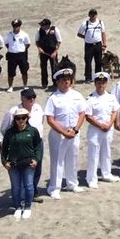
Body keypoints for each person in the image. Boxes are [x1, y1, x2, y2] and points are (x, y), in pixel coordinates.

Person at [44, 65, 86, 199]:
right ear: (57, 81)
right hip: (58, 134)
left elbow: (82, 113)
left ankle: (72, 183)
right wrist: (63, 132)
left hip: (73, 132)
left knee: (72, 158)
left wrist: (75, 129)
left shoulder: (77, 95)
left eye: (68, 79)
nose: (67, 82)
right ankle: (54, 187)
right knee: (57, 161)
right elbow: (50, 119)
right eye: (63, 80)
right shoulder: (53, 98)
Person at [1, 107, 41, 219]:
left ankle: (27, 207)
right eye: (18, 118)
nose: (21, 120)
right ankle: (18, 207)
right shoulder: (10, 132)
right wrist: (4, 162)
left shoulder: (33, 131)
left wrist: (36, 159)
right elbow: (4, 149)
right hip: (13, 163)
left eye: (23, 118)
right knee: (16, 187)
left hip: (28, 162)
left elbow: (38, 146)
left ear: (27, 118)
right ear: (15, 119)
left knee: (28, 185)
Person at [84, 72, 120, 189]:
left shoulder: (111, 97)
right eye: (98, 83)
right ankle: (91, 178)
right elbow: (88, 116)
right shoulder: (90, 98)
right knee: (93, 154)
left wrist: (110, 123)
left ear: (106, 83)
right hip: (95, 129)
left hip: (108, 128)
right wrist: (100, 125)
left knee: (107, 152)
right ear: (95, 83)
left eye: (103, 83)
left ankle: (106, 173)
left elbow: (115, 111)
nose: (101, 85)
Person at [77, 9, 107, 83]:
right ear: (89, 15)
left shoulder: (100, 23)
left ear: (96, 15)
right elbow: (79, 34)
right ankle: (88, 77)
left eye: (94, 14)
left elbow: (103, 33)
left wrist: (104, 44)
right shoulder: (85, 24)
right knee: (88, 61)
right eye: (92, 14)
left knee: (98, 61)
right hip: (88, 45)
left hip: (98, 44)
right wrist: (86, 37)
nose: (93, 16)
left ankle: (98, 76)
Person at [4, 19, 31, 91]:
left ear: (20, 26)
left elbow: (27, 44)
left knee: (24, 70)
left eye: (17, 26)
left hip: (21, 55)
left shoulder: (24, 34)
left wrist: (22, 49)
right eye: (14, 26)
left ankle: (25, 85)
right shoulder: (9, 35)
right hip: (12, 55)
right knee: (11, 72)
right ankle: (10, 86)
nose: (16, 28)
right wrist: (11, 49)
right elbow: (6, 43)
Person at [35, 18, 62, 89]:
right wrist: (39, 48)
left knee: (54, 68)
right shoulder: (39, 30)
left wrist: (55, 52)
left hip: (52, 51)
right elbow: (37, 41)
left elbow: (59, 41)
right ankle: (44, 83)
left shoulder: (55, 29)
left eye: (43, 25)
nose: (42, 26)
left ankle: (55, 83)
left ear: (47, 25)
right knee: (43, 68)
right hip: (43, 52)